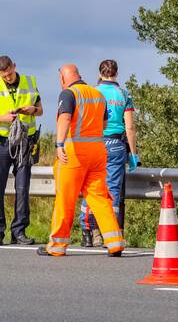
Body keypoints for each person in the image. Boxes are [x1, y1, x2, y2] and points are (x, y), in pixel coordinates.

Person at [38, 63, 126, 258]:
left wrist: (59, 145)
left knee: (65, 199)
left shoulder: (68, 94)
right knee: (100, 198)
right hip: (97, 152)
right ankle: (115, 242)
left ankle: (56, 246)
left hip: (74, 154)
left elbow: (65, 118)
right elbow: (104, 123)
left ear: (63, 79)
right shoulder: (97, 94)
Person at [0, 55, 42, 246]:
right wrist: (3, 118)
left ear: (14, 66)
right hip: (1, 143)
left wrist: (31, 109)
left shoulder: (30, 82)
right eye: (4, 75)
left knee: (22, 188)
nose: (7, 78)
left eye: (9, 74)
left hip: (24, 142)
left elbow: (40, 110)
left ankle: (19, 231)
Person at [78, 59, 140, 247]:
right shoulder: (123, 94)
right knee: (112, 193)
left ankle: (89, 233)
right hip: (115, 144)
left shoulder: (92, 92)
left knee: (91, 189)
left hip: (94, 143)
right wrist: (133, 154)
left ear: (99, 74)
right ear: (116, 74)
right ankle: (110, 235)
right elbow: (129, 127)